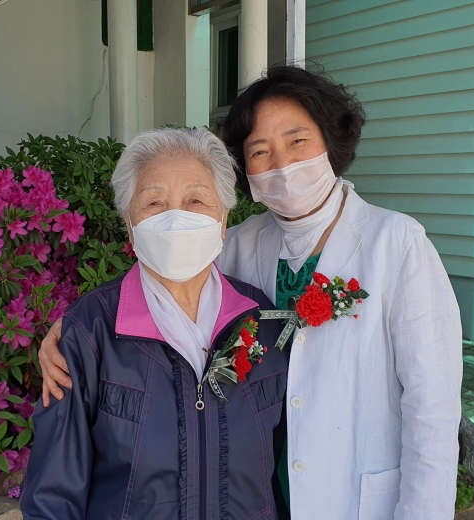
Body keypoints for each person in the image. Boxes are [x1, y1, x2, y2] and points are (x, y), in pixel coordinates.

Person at [36, 66, 463, 520]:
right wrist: (74, 332)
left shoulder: (396, 243)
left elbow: (431, 407)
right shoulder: (239, 244)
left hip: (354, 493)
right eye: (260, 150)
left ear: (330, 140)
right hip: (263, 490)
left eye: (297, 141)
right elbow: (168, 282)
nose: (282, 164)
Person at [20, 128, 290, 519]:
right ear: (130, 225)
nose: (175, 218)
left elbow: (289, 465)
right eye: (153, 203)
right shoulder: (90, 331)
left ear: (223, 219)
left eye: (195, 200)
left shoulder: (263, 321)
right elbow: (53, 494)